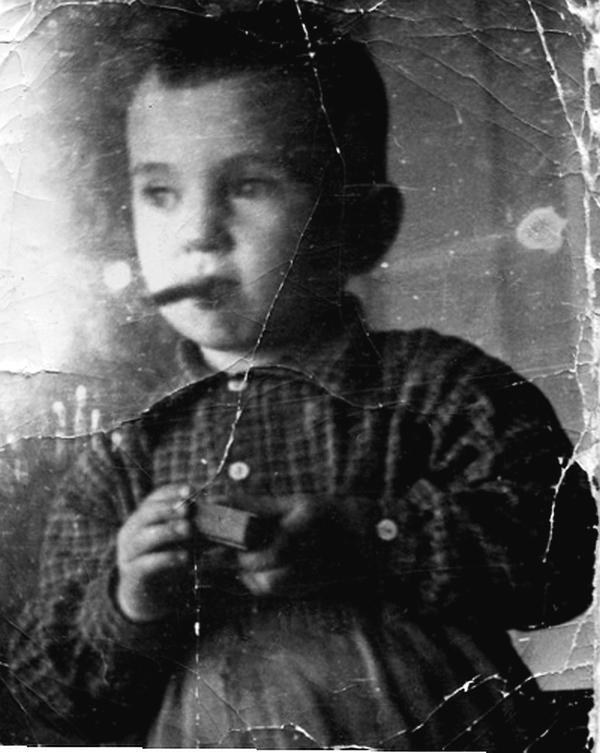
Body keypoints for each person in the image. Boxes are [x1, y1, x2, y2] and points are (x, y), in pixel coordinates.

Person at [8, 3, 597, 749]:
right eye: (160, 193)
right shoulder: (123, 457)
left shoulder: (439, 390)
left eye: (249, 186)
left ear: (364, 226)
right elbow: (46, 699)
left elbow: (564, 563)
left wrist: (373, 536)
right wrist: (127, 601)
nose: (197, 233)